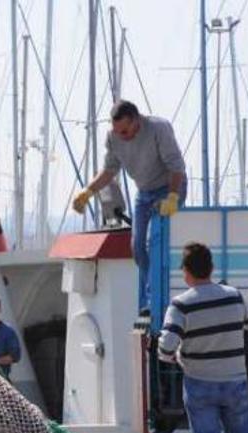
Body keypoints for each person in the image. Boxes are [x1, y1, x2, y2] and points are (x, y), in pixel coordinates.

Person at [158, 242, 248, 433]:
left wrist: (173, 355)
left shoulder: (181, 304)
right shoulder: (233, 295)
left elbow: (167, 347)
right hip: (236, 384)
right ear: (211, 267)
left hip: (200, 385)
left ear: (186, 271)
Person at [72, 99, 188, 315]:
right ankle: (147, 302)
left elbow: (176, 167)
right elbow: (109, 171)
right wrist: (87, 191)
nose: (121, 136)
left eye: (125, 131)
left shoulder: (158, 129)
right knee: (137, 247)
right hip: (144, 193)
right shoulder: (113, 137)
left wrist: (172, 197)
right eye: (117, 131)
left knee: (154, 242)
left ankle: (154, 301)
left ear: (137, 121)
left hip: (171, 186)